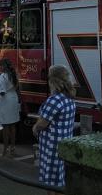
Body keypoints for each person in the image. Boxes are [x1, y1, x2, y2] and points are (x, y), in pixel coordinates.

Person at [33, 65, 76, 195]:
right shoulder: (69, 98)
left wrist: (35, 128)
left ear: (53, 81)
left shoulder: (54, 100)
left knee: (51, 181)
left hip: (52, 146)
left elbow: (42, 123)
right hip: (64, 143)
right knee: (60, 178)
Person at [0, 58, 20, 157]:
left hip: (5, 100)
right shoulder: (14, 75)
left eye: (0, 65)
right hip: (13, 98)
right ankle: (13, 148)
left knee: (5, 127)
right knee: (13, 126)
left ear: (3, 66)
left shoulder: (2, 76)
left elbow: (1, 91)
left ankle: (5, 150)